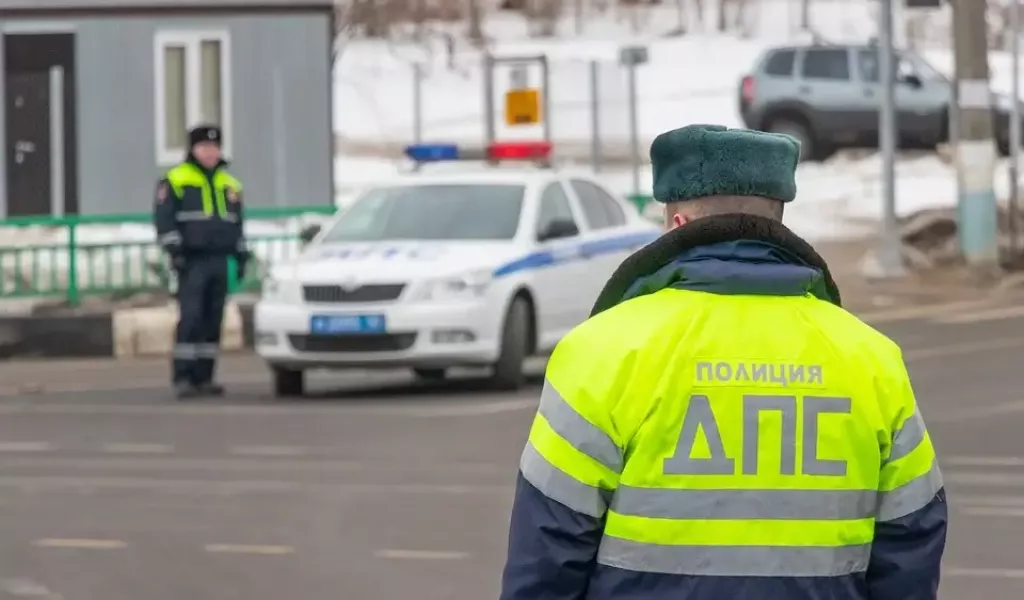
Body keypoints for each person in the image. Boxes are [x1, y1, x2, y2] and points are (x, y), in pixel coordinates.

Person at [499, 124, 947, 600]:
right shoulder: (871, 359)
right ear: (779, 222)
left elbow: (549, 548)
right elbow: (912, 538)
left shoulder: (601, 351)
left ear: (676, 225)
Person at [154, 125, 249, 399]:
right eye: (204, 147)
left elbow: (237, 224)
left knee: (212, 319)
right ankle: (183, 376)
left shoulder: (230, 184)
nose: (209, 152)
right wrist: (175, 251)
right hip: (192, 260)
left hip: (220, 259)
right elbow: (164, 219)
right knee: (192, 317)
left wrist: (241, 254)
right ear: (193, 150)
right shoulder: (175, 179)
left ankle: (205, 376)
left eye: (214, 147)